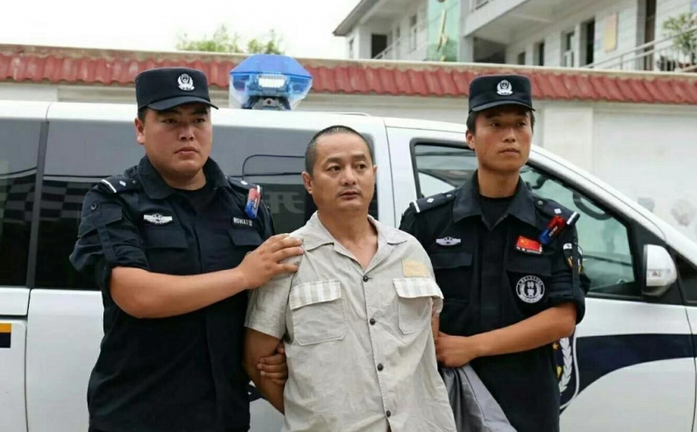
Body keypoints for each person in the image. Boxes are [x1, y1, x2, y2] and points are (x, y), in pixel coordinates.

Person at [70, 67, 303, 432]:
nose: (187, 132)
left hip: (223, 415)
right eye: (170, 120)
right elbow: (137, 295)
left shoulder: (245, 204)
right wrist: (241, 275)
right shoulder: (115, 200)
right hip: (138, 416)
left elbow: (266, 303)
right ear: (140, 129)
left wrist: (277, 353)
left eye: (199, 119)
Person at [400, 74, 587, 432]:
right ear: (470, 137)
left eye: (520, 124)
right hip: (442, 399)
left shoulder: (553, 225)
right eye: (496, 124)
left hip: (526, 405)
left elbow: (563, 318)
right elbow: (399, 308)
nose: (510, 135)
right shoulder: (428, 221)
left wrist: (472, 346)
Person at [243, 126, 457, 432]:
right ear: (308, 182)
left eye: (360, 166)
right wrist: (312, 418)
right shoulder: (288, 257)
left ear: (373, 174)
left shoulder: (409, 250)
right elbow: (257, 361)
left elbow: (426, 340)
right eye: (334, 168)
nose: (349, 178)